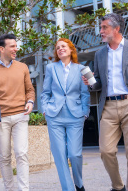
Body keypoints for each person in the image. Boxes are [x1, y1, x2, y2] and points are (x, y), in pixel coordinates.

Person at [83, 13, 128, 191]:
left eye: (104, 27)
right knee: (106, 151)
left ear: (116, 29)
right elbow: (100, 82)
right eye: (100, 28)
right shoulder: (100, 54)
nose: (100, 31)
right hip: (108, 106)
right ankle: (118, 186)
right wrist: (91, 83)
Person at [0, 34, 35, 191]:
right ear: (1, 48)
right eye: (12, 46)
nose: (15, 49)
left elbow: (30, 90)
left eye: (16, 46)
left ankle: (24, 189)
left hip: (20, 115)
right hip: (0, 118)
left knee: (21, 153)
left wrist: (30, 102)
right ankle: (9, 189)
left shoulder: (22, 67)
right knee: (5, 157)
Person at [41, 38, 90, 191]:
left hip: (75, 116)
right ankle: (68, 189)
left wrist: (85, 112)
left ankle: (79, 184)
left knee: (75, 154)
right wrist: (45, 110)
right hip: (54, 115)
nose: (60, 49)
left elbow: (85, 94)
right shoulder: (50, 68)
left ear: (71, 49)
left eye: (63, 46)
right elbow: (45, 92)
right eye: (57, 47)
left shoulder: (82, 68)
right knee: (60, 155)